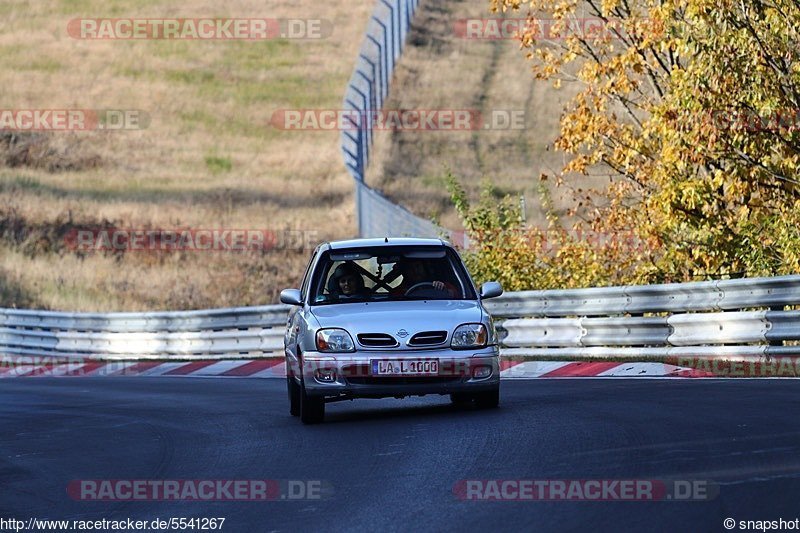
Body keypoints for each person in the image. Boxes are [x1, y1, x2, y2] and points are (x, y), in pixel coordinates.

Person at [391, 259, 458, 297]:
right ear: (405, 272)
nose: (415, 271)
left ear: (424, 268)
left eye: (418, 266)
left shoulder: (440, 285)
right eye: (410, 268)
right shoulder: (398, 292)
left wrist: (443, 288)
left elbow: (456, 295)